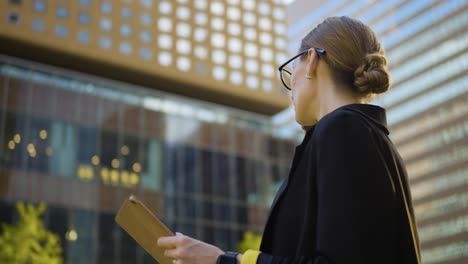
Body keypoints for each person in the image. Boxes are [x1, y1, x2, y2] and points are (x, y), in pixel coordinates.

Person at [157, 16, 421, 264]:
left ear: (311, 60)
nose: (290, 88)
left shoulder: (342, 128)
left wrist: (222, 260)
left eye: (290, 70)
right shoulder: (367, 137)